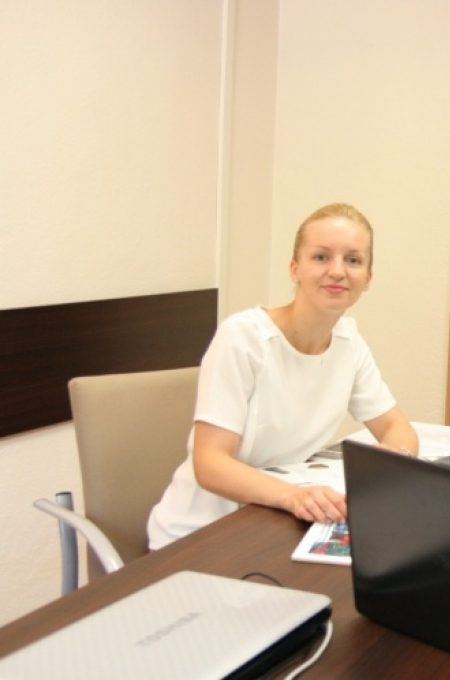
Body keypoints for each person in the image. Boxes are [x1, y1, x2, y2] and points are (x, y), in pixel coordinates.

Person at [148, 202, 418, 550]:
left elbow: (396, 427)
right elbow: (209, 463)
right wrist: (294, 496)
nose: (338, 271)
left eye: (353, 260)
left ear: (368, 278)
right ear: (295, 269)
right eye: (321, 257)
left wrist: (389, 467)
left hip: (276, 524)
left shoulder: (349, 341)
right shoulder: (243, 337)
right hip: (199, 534)